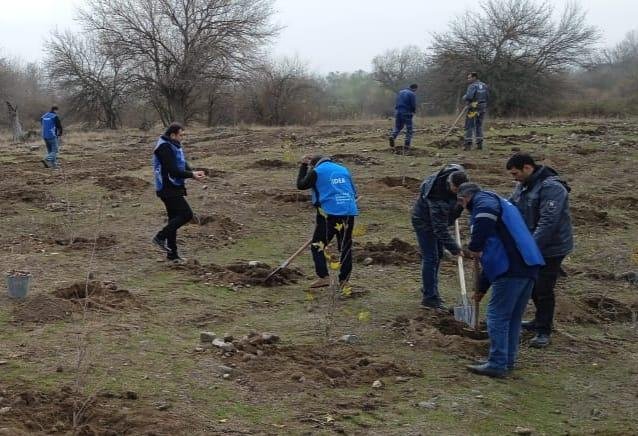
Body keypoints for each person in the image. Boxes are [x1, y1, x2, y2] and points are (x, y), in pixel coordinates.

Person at [457, 183, 544, 378]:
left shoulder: (484, 201)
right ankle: (506, 361)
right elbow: (494, 255)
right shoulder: (503, 205)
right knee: (512, 318)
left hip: (512, 268)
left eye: (462, 204)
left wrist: (475, 245)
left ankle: (497, 363)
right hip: (528, 265)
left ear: (465, 198)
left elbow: (485, 219)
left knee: (496, 316)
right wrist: (481, 288)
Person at [506, 153, 573, 348]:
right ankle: (538, 320)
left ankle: (544, 330)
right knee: (533, 284)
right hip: (533, 244)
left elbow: (548, 222)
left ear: (528, 168)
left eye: (515, 173)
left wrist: (529, 249)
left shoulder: (552, 188)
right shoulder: (523, 185)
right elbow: (511, 206)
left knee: (543, 288)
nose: (514, 178)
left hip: (552, 247)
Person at [297, 154, 359, 289]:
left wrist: (303, 166)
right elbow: (354, 193)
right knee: (345, 247)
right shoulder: (343, 170)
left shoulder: (316, 171)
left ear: (314, 164)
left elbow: (301, 185)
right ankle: (344, 281)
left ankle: (324, 277)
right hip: (348, 212)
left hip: (328, 213)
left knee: (317, 245)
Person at [411, 164, 468, 310]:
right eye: (456, 191)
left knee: (439, 254)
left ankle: (429, 289)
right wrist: (455, 249)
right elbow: (440, 229)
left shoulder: (457, 173)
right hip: (424, 221)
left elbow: (457, 206)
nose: (457, 194)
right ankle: (429, 299)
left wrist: (458, 209)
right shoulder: (436, 195)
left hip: (438, 219)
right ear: (450, 184)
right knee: (431, 257)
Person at [152, 122, 206, 264]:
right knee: (186, 214)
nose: (182, 138)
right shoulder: (164, 147)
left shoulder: (173, 145)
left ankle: (172, 254)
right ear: (172, 135)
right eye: (180, 135)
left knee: (173, 219)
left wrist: (192, 172)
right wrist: (191, 175)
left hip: (172, 187)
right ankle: (160, 237)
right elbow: (173, 170)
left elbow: (180, 163)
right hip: (167, 188)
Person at [462, 73, 489, 150]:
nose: (468, 80)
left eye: (469, 78)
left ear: (474, 77)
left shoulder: (472, 86)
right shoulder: (484, 85)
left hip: (473, 107)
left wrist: (464, 97)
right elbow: (487, 96)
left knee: (469, 125)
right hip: (482, 107)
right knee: (479, 125)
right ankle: (479, 143)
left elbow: (469, 96)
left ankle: (468, 144)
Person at [389, 84, 418, 150]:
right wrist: (413, 111)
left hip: (398, 112)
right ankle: (407, 145)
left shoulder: (400, 92)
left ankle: (392, 136)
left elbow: (397, 101)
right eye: (416, 90)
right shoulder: (412, 94)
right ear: (415, 88)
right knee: (409, 129)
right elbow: (413, 104)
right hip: (407, 112)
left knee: (398, 127)